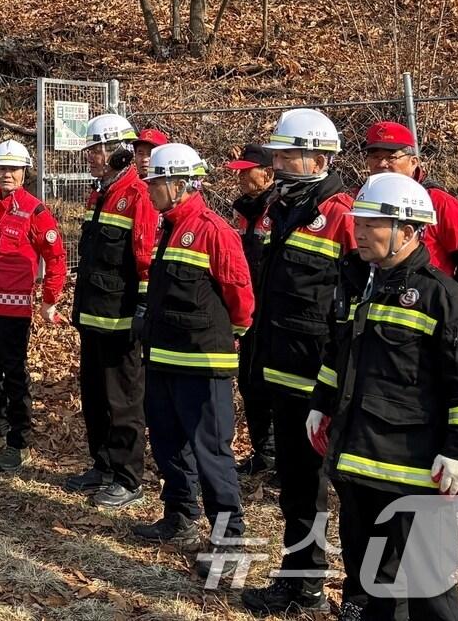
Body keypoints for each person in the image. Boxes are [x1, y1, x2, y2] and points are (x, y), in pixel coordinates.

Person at [310, 172, 458, 621]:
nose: (358, 231)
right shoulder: (364, 287)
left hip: (418, 479)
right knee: (374, 585)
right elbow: (341, 355)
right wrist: (321, 402)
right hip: (360, 466)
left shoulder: (445, 300)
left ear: (408, 231)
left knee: (430, 593)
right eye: (358, 222)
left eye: (371, 224)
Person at [241, 109, 357, 616]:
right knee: (296, 486)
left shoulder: (344, 216)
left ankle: (339, 592)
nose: (281, 163)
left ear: (321, 156)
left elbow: (357, 308)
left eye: (290, 154)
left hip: (325, 383)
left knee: (334, 490)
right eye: (279, 155)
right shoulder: (276, 210)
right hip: (279, 373)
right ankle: (298, 581)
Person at [131, 143, 255, 581]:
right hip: (164, 360)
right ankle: (180, 517)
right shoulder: (169, 226)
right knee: (168, 444)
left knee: (211, 454)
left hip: (203, 364)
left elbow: (240, 297)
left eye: (155, 184)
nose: (148, 191)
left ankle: (228, 542)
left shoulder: (212, 230)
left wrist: (232, 335)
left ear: (179, 185)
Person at [64, 113, 157, 510]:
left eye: (97, 150)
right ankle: (101, 465)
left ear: (118, 152)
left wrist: (143, 308)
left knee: (123, 400)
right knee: (94, 394)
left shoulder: (139, 196)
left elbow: (146, 258)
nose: (90, 157)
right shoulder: (99, 194)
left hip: (120, 320)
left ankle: (127, 476)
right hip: (93, 315)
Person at [0, 140, 67, 472]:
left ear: (25, 171)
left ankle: (19, 442)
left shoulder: (35, 211)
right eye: (2, 168)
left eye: (13, 168)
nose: (7, 173)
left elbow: (56, 259)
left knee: (14, 376)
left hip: (13, 312)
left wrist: (49, 300)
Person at [361, 121, 458, 296]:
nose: (382, 163)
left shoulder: (441, 203)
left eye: (391, 157)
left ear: (413, 162)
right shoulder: (361, 201)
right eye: (374, 156)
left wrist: (445, 301)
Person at [227, 142, 277, 477]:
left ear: (268, 174)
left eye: (248, 172)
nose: (242, 178)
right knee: (249, 382)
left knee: (274, 386)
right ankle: (265, 452)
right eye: (240, 173)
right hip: (251, 311)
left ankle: (281, 457)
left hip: (275, 313)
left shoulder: (278, 209)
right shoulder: (245, 210)